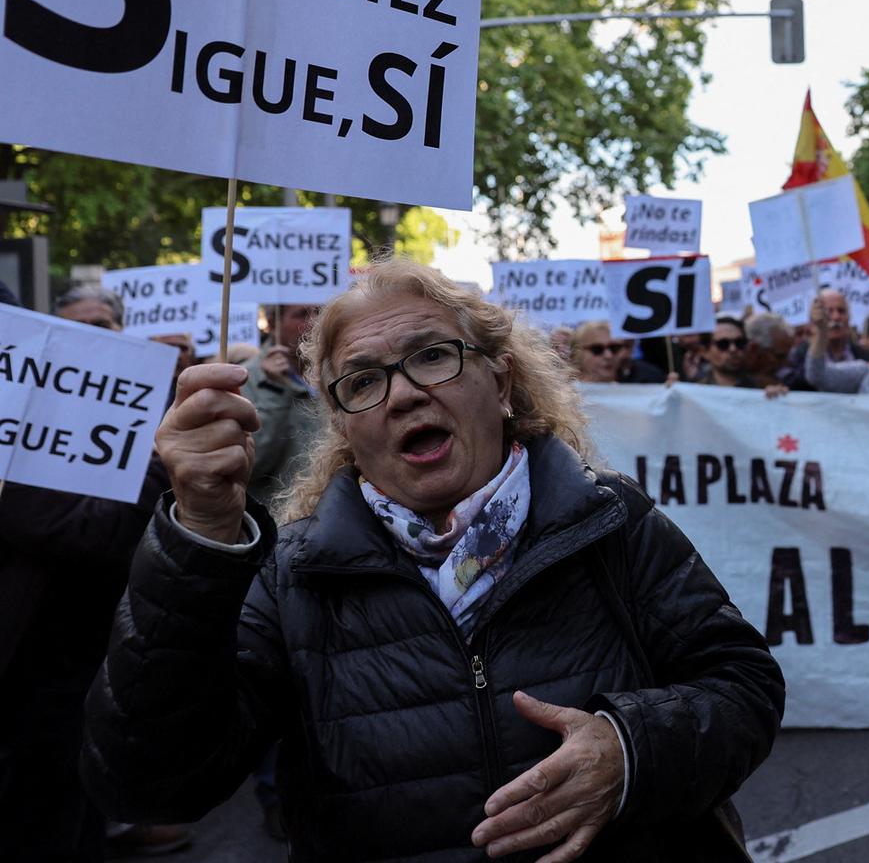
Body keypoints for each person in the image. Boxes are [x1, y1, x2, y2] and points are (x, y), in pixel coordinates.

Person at [83, 257, 785, 860]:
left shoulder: (610, 520)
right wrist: (200, 533)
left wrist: (631, 750)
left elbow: (743, 686)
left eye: (432, 356)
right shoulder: (292, 576)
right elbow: (151, 781)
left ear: (502, 383)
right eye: (362, 382)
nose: (406, 393)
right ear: (344, 427)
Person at [0, 287, 190, 860]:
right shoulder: (23, 429)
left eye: (106, 324)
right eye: (82, 329)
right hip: (34, 665)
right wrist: (167, 463)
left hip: (92, 653)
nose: (98, 338)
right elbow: (94, 532)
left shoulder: (133, 401)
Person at [243, 303, 322, 507]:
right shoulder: (245, 379)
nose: (314, 321)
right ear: (271, 323)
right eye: (302, 314)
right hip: (281, 520)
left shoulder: (337, 370)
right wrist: (274, 391)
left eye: (319, 312)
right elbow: (250, 464)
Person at [782, 288, 869, 389]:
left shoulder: (867, 357)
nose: (836, 317)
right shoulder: (797, 357)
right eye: (828, 311)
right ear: (813, 320)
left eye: (841, 311)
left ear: (849, 317)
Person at [694, 316, 761, 388]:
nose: (733, 349)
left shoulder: (762, 387)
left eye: (739, 343)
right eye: (723, 344)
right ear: (705, 352)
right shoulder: (694, 390)